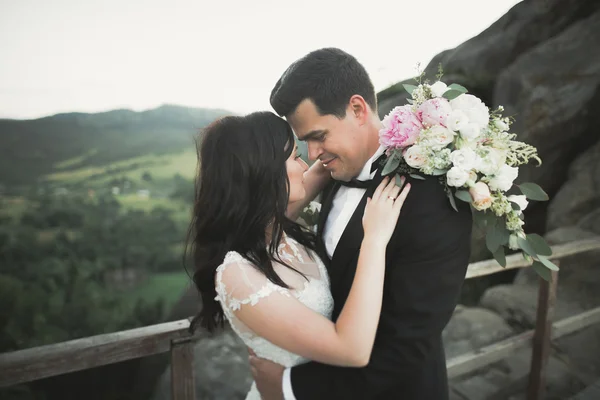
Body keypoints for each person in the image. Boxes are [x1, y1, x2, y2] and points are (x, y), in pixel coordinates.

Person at [249, 48, 473, 400]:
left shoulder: (432, 197)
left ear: (357, 109)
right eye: (304, 141)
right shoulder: (335, 174)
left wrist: (288, 388)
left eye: (319, 135)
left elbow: (408, 344)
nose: (312, 154)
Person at [187, 111, 411, 400]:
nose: (306, 163)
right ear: (265, 172)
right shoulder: (237, 273)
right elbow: (352, 350)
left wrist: (412, 129)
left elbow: (325, 165)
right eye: (295, 156)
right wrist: (375, 239)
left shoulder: (276, 228)